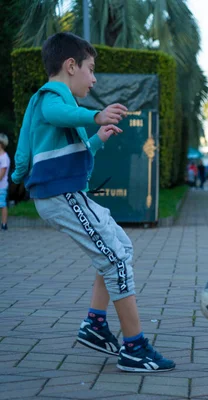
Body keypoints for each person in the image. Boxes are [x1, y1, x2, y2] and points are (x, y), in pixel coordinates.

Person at [10, 32, 175, 372]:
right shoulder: (51, 96)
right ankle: (134, 347)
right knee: (115, 259)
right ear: (70, 66)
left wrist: (97, 138)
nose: (94, 78)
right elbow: (56, 114)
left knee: (120, 248)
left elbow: (30, 153)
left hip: (66, 194)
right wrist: (96, 117)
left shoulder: (59, 106)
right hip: (62, 195)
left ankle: (96, 325)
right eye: (90, 69)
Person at [0, 133, 10, 231]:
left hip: (1, 186)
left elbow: (2, 173)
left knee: (2, 204)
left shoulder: (4, 158)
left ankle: (4, 223)